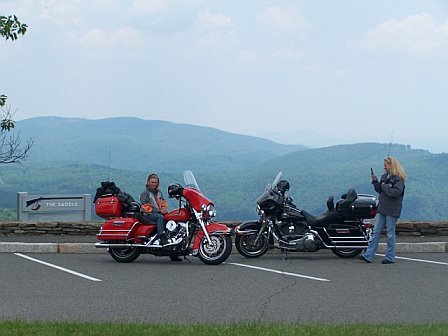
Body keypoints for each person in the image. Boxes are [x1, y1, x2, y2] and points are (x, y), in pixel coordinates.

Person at [360, 157, 406, 264]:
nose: (384, 167)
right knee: (376, 232)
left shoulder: (399, 179)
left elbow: (396, 193)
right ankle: (369, 255)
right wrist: (376, 182)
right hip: (382, 208)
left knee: (390, 233)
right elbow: (380, 190)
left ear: (392, 165)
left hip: (392, 209)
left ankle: (390, 257)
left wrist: (384, 186)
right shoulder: (384, 177)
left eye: (386, 165)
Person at [140, 173, 168, 246]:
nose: (153, 184)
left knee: (169, 217)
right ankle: (161, 238)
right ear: (148, 182)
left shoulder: (159, 192)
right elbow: (145, 207)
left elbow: (163, 202)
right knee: (160, 217)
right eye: (152, 182)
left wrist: (164, 209)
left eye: (155, 182)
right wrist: (159, 211)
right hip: (147, 214)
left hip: (157, 213)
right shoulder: (145, 193)